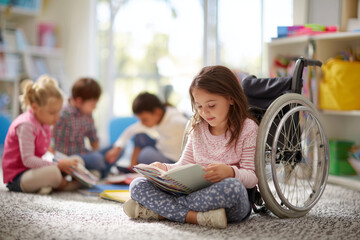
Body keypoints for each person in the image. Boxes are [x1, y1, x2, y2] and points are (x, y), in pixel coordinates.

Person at [123, 65, 259, 229]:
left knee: (233, 188)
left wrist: (230, 172)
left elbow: (252, 178)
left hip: (229, 201)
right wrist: (163, 168)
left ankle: (160, 212)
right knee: (137, 185)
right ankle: (194, 217)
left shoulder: (248, 128)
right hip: (194, 194)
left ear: (231, 98)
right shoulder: (197, 128)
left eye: (211, 105)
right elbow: (182, 166)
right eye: (199, 106)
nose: (205, 112)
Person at [2, 75, 82, 194]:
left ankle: (47, 185)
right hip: (18, 177)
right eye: (52, 113)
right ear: (35, 107)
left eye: (58, 112)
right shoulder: (26, 125)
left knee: (77, 160)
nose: (57, 117)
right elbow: (28, 160)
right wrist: (58, 165)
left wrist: (61, 160)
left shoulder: (44, 123)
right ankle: (62, 184)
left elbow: (43, 153)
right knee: (53, 172)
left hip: (33, 171)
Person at [105, 92, 188, 169]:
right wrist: (117, 149)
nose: (142, 123)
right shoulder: (159, 116)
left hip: (173, 162)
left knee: (145, 154)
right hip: (161, 149)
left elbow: (189, 128)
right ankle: (132, 168)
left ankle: (135, 169)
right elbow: (131, 130)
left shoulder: (177, 121)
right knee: (140, 137)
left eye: (144, 120)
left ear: (157, 112)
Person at [53, 77, 112, 178]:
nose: (95, 107)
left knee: (116, 149)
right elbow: (56, 146)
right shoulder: (63, 114)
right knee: (97, 159)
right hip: (71, 158)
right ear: (79, 101)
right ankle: (101, 169)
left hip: (85, 154)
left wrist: (99, 152)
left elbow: (94, 141)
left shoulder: (87, 114)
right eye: (92, 104)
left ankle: (99, 169)